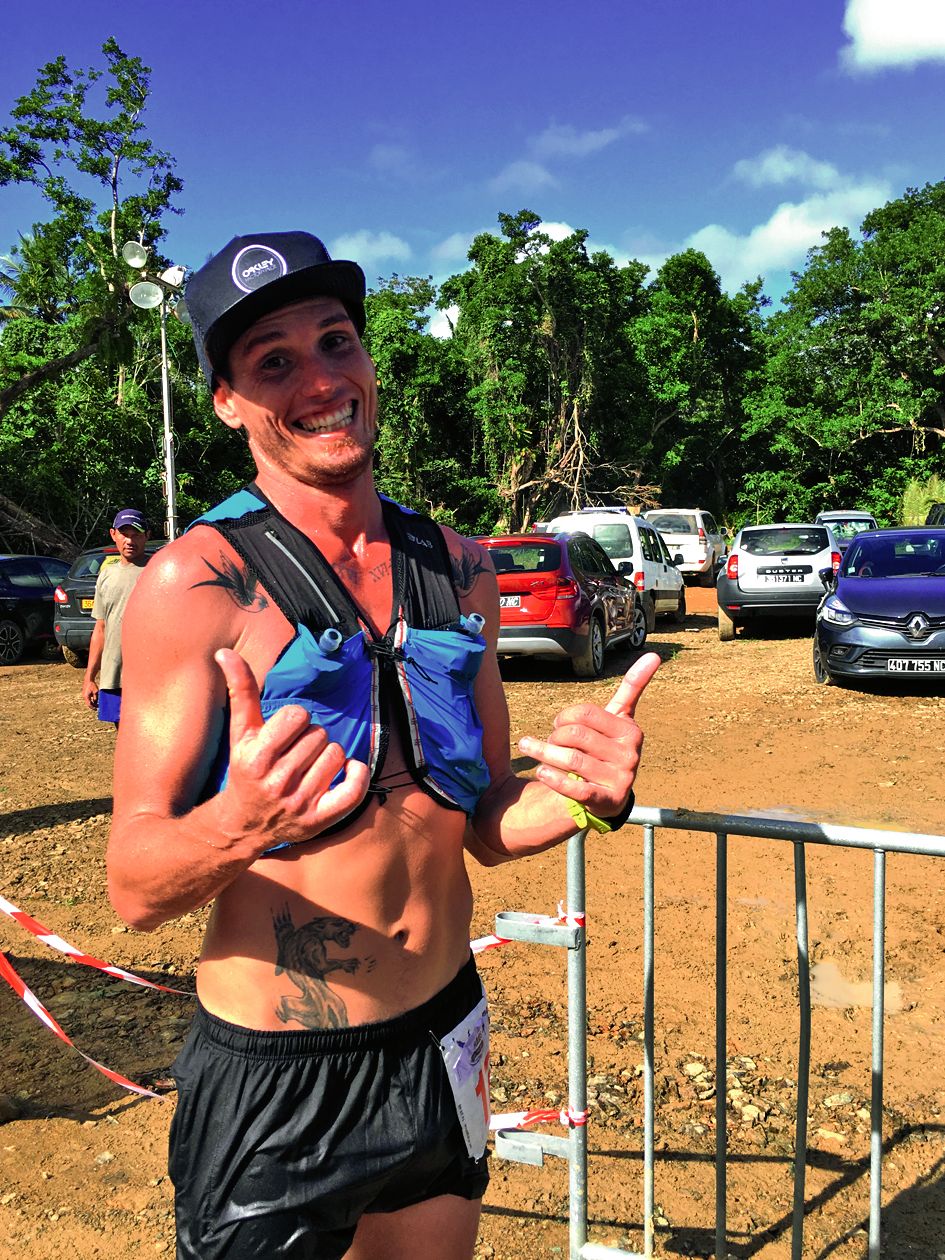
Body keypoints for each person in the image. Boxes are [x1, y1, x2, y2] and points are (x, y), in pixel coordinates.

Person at [106, 230, 661, 1260]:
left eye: (337, 341)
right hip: (280, 1076)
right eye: (274, 361)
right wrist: (235, 828)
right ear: (227, 399)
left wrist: (588, 791)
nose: (321, 377)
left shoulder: (456, 566)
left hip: (443, 1036)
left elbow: (489, 820)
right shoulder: (195, 583)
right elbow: (135, 887)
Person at [82, 508, 151, 725]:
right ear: (113, 534)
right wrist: (89, 677)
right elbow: (101, 629)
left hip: (152, 676)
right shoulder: (106, 575)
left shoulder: (160, 569)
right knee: (122, 737)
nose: (130, 540)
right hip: (114, 676)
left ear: (147, 535)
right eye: (125, 533)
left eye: (136, 534)